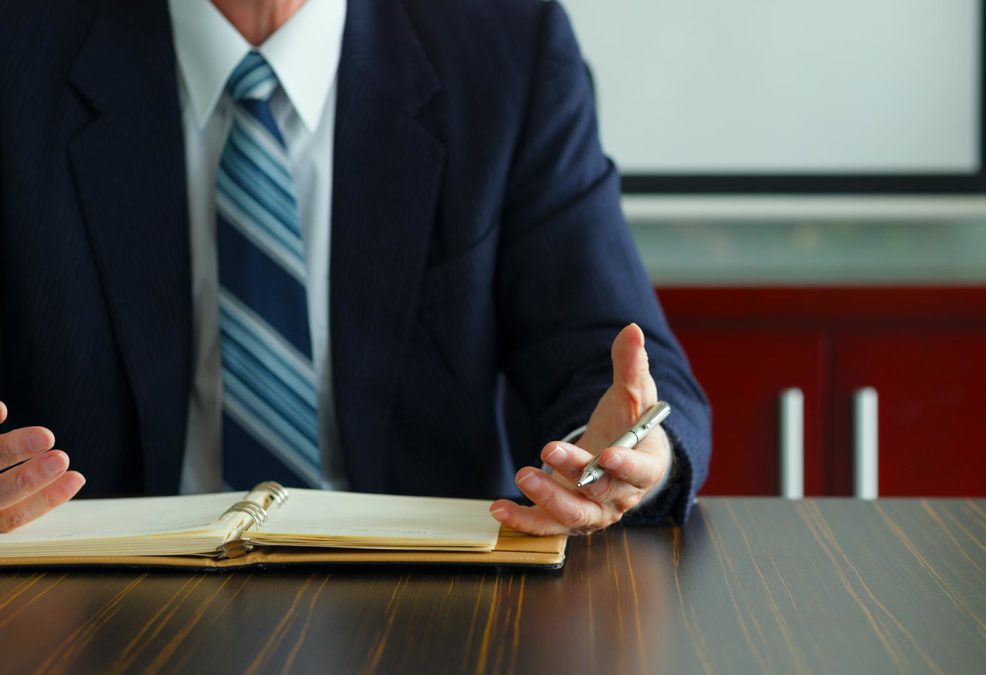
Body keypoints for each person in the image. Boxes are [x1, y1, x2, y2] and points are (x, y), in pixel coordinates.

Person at [0, 0, 710, 535]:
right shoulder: (20, 46)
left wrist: (622, 455)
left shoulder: (505, 46)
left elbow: (616, 363)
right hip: (92, 604)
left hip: (428, 603)